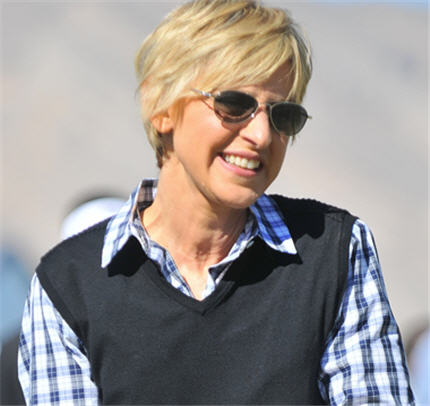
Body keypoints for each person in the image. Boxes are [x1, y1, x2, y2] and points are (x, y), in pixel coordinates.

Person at [18, 0, 415, 404]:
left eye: (282, 115)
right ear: (162, 107)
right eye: (234, 104)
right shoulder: (67, 288)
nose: (261, 135)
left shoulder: (334, 254)